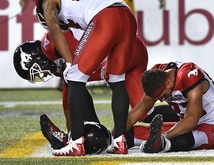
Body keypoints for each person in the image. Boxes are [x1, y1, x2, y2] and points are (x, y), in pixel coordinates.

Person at [13, 29, 179, 150]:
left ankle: (88, 134)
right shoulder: (56, 60)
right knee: (144, 112)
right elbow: (69, 97)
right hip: (132, 49)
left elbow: (71, 93)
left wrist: (74, 134)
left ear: (36, 58)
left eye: (36, 71)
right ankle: (184, 116)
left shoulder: (53, 42)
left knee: (73, 82)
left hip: (120, 49)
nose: (42, 75)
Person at [34, 0, 138, 156]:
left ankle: (76, 142)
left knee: (74, 77)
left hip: (105, 17)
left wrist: (69, 63)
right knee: (117, 79)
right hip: (127, 14)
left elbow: (52, 24)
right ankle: (120, 141)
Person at [126, 61, 214, 153]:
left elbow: (191, 121)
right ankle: (158, 143)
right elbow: (136, 113)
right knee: (129, 135)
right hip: (183, 119)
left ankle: (161, 144)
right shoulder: (157, 77)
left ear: (168, 83)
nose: (162, 100)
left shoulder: (189, 77)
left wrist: (163, 137)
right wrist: (115, 136)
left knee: (183, 141)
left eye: (162, 96)